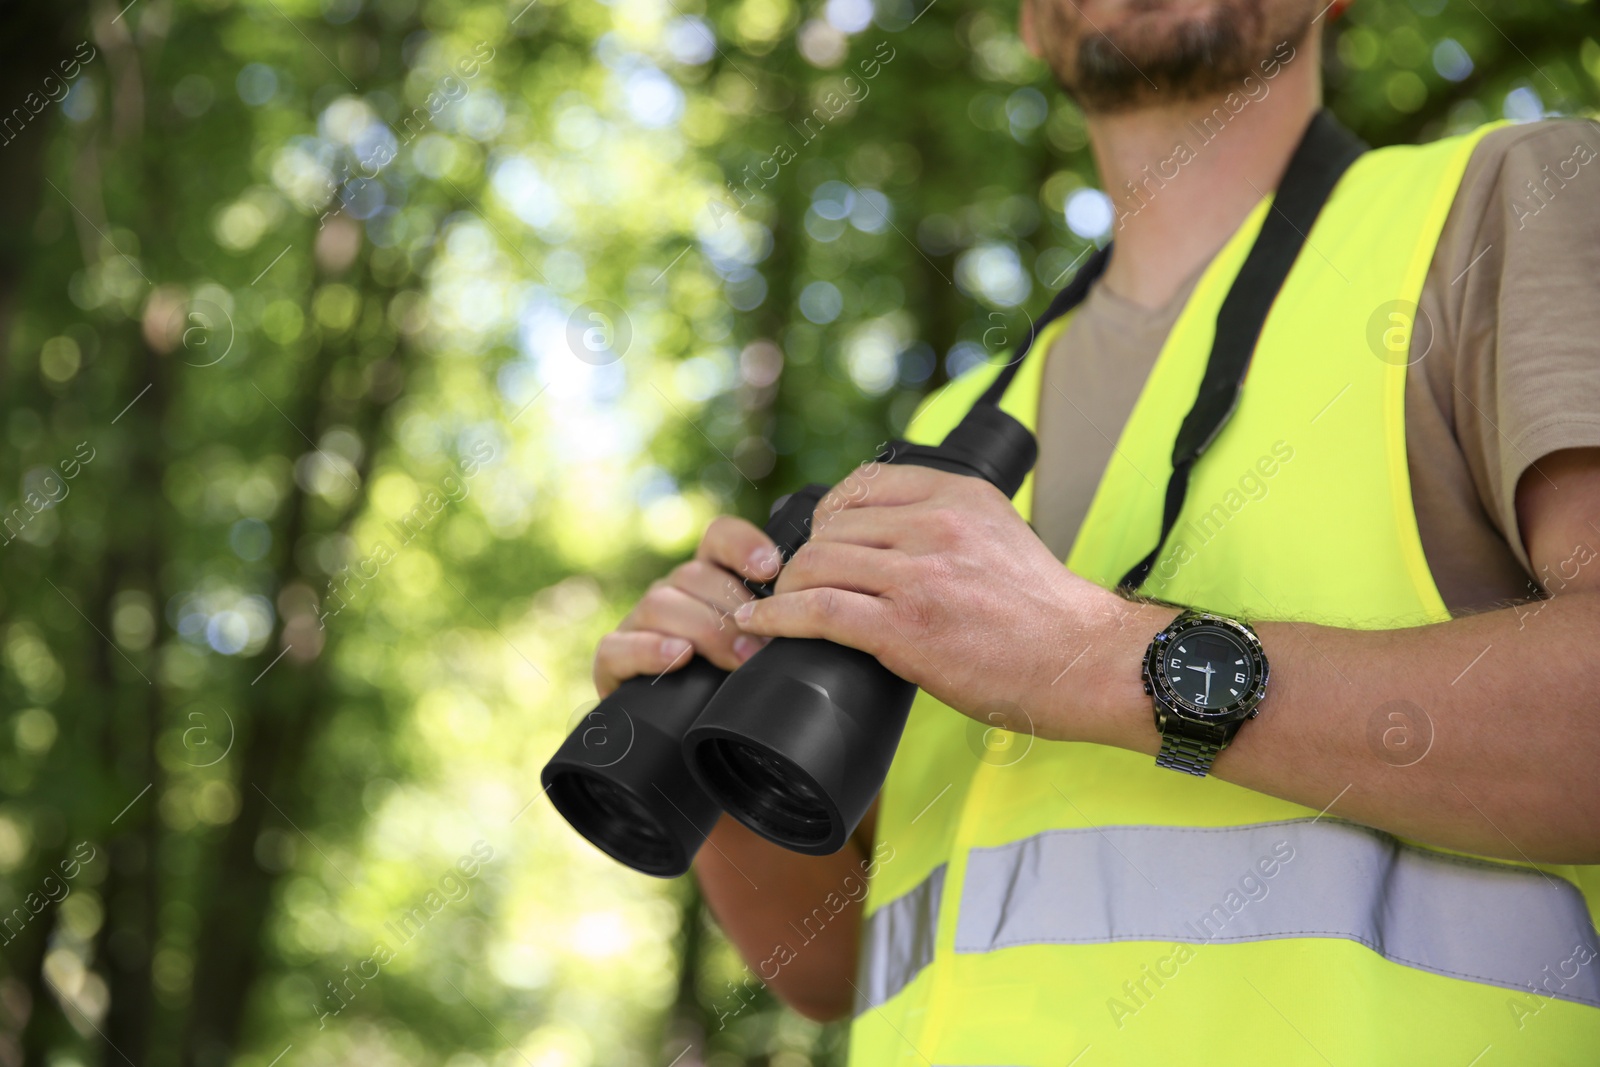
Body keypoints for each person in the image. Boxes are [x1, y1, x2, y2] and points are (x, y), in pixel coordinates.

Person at [593, 0, 1600, 1061]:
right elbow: (831, 959)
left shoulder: (1501, 204)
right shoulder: (942, 434)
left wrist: (1093, 656)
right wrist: (707, 715)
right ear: (1031, 22)